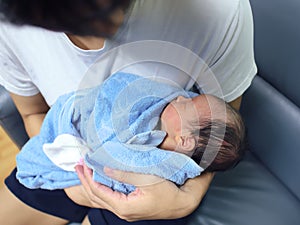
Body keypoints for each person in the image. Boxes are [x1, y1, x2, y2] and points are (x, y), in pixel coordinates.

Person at [0, 0, 257, 225]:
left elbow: (218, 137)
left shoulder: (217, 12)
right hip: (66, 148)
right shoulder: (11, 25)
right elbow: (33, 114)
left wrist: (186, 199)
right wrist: (72, 174)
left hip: (151, 198)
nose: (181, 98)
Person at [16, 72, 245, 194]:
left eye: (188, 105)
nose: (183, 97)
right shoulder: (160, 112)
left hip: (91, 168)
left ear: (184, 140)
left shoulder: (158, 165)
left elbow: (111, 160)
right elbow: (117, 88)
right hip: (75, 118)